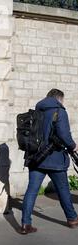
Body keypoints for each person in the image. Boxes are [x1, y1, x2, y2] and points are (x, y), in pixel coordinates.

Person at [21, 89, 78, 234]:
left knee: (32, 191)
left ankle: (25, 224)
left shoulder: (37, 111)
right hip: (55, 160)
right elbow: (64, 135)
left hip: (36, 159)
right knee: (64, 190)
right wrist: (73, 146)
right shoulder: (59, 111)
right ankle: (72, 219)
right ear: (59, 99)